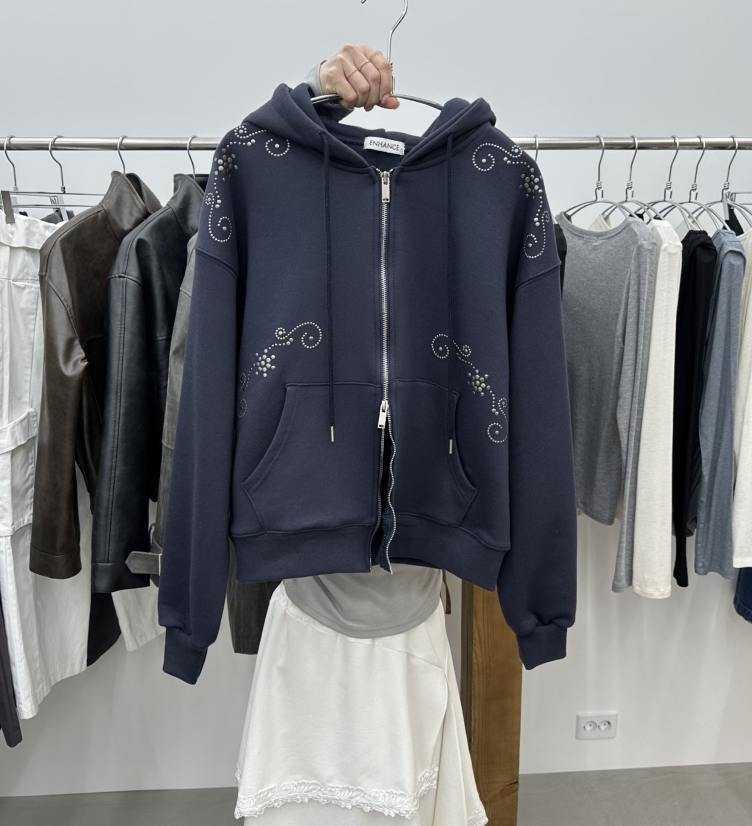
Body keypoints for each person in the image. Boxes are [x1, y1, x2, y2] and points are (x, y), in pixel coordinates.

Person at [232, 47, 487, 826]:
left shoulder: (492, 185)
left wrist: (536, 598)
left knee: (406, 782)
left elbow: (529, 390)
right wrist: (318, 93)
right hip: (307, 582)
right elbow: (205, 387)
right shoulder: (259, 173)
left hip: (418, 580)